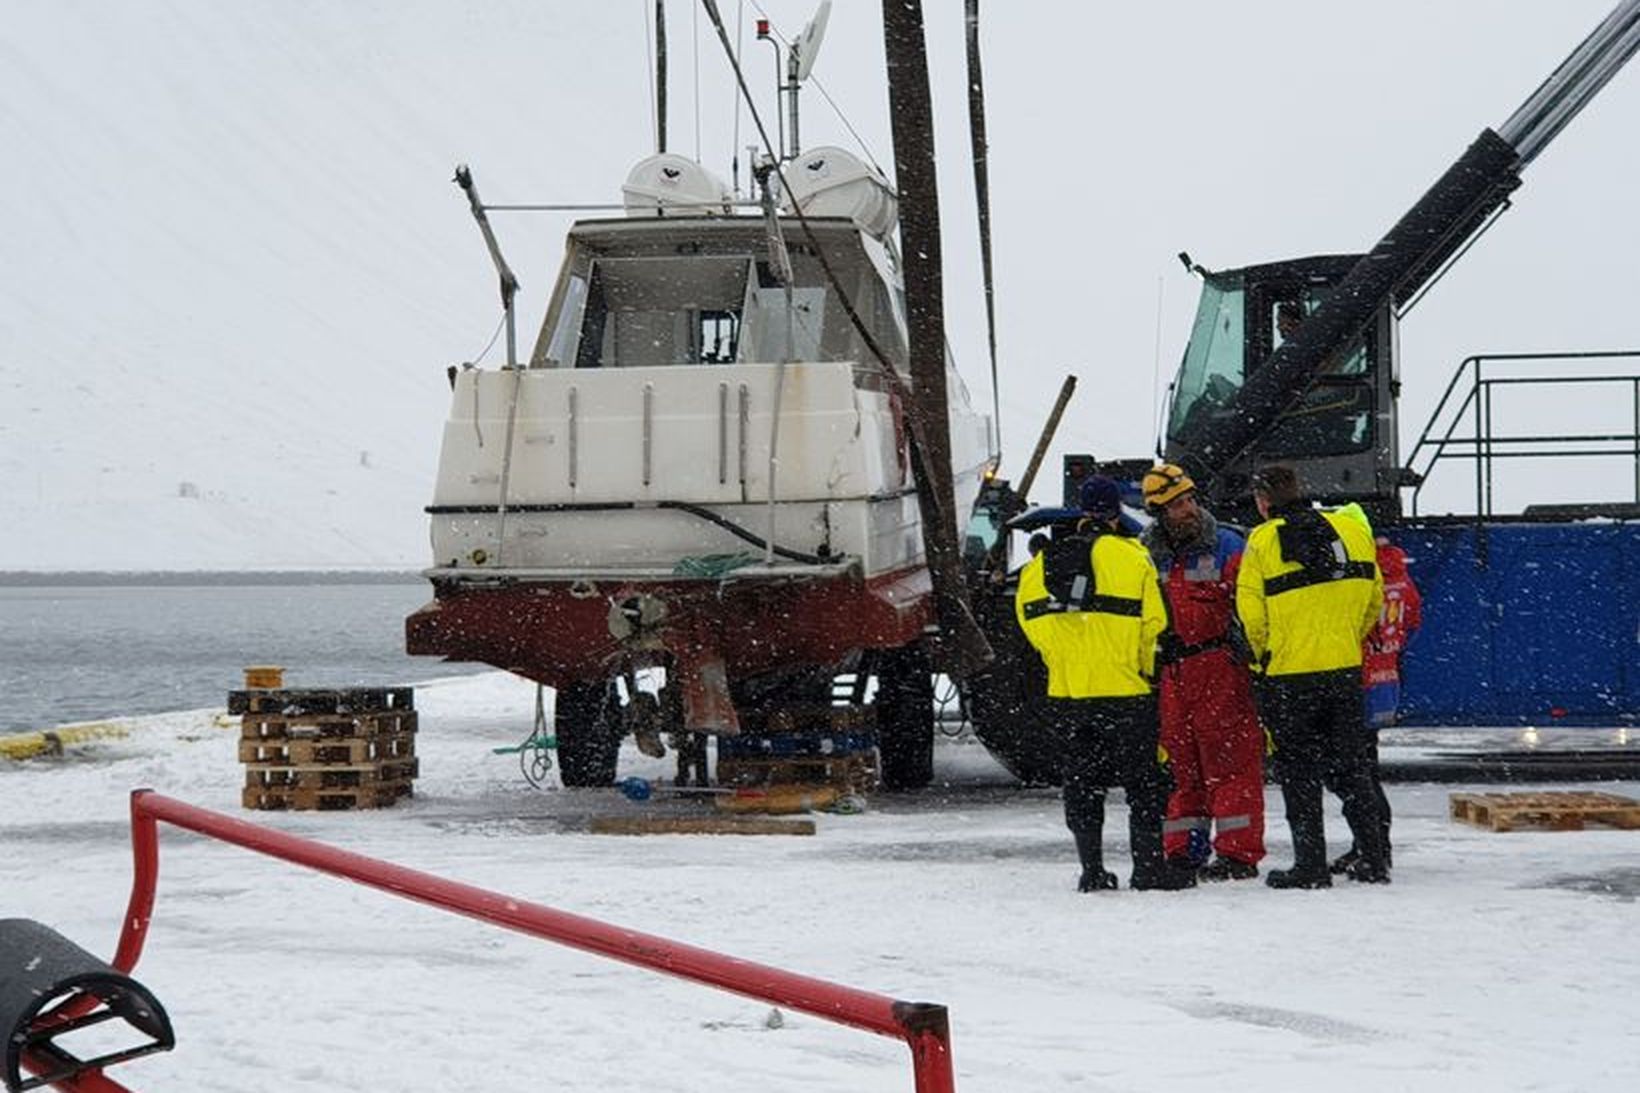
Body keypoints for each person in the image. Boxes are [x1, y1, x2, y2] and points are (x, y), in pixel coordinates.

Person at [1015, 475, 1196, 892]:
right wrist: (1137, 664)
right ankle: (1149, 869)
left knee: (1081, 783)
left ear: (1082, 512)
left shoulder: (1038, 567)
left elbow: (1030, 626)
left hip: (1069, 693)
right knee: (1144, 784)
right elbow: (1157, 625)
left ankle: (1091, 870)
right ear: (1116, 514)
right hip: (1126, 693)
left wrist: (1064, 659)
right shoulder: (1133, 558)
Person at [1236, 465, 1387, 888]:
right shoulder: (1351, 531)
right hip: (1342, 671)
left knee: (1299, 773)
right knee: (1354, 768)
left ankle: (1310, 864)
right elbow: (1372, 598)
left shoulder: (1263, 540)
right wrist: (1344, 639)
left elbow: (1251, 613)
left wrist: (1264, 657)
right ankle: (1373, 858)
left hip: (1289, 676)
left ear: (1263, 501)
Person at [1139, 463, 1265, 881]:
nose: (1189, 509)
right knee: (1181, 768)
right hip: (1172, 674)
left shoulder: (1229, 546)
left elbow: (1251, 606)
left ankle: (1237, 854)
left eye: (1190, 500)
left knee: (1231, 765)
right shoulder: (1144, 555)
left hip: (1220, 668)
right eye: (1177, 504)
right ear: (1159, 512)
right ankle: (1182, 851)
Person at [1328, 533, 1423, 874]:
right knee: (1366, 769)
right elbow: (1411, 625)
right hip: (1385, 683)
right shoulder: (1401, 580)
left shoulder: (1364, 578)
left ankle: (1372, 846)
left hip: (1360, 683)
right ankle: (1372, 845)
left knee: (1353, 775)